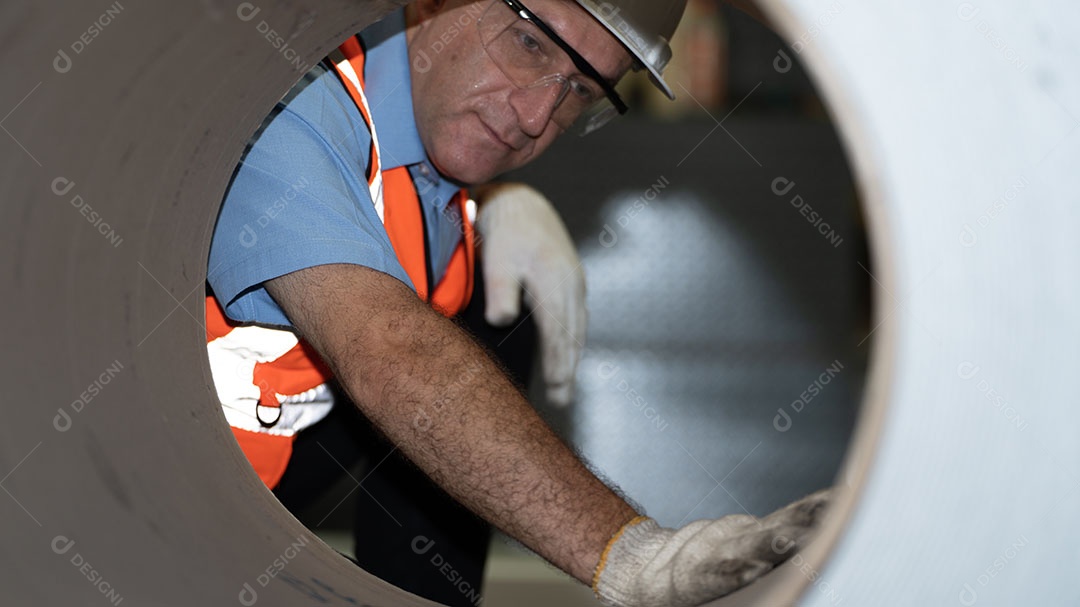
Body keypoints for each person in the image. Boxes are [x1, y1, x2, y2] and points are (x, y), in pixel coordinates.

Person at [206, 1, 833, 605]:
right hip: (150, 495)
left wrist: (489, 205)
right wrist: (631, 556)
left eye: (583, 90)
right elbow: (389, 351)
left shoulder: (437, 171)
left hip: (254, 477)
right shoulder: (283, 103)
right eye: (530, 42)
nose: (537, 115)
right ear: (430, 2)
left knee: (498, 310)